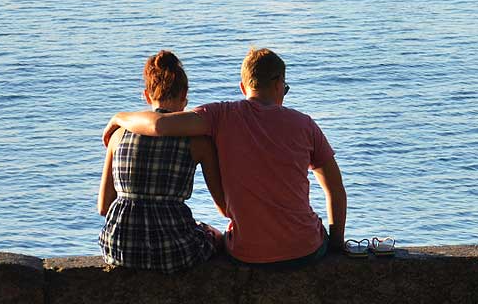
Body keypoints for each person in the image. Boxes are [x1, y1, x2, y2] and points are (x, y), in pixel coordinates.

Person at [103, 47, 346, 268]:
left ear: (243, 87)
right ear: (279, 84)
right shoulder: (305, 125)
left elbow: (159, 125)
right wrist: (335, 246)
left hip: (246, 252)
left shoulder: (220, 116)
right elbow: (335, 190)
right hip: (305, 250)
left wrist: (118, 118)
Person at [98, 50, 226, 273]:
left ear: (147, 95)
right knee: (216, 235)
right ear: (185, 94)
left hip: (118, 247)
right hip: (174, 251)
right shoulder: (198, 143)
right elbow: (223, 206)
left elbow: (103, 207)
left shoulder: (117, 137)